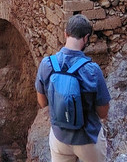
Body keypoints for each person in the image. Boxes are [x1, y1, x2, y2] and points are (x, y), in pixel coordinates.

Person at [35, 15, 111, 162]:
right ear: (86, 38)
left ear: (65, 33)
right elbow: (103, 112)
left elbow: (42, 103)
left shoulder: (47, 64)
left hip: (59, 137)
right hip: (88, 139)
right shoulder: (92, 70)